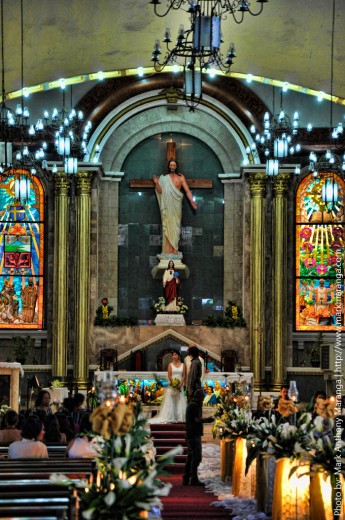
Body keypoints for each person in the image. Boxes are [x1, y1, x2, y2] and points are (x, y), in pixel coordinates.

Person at [153, 159, 197, 255]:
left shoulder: (180, 178)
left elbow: (187, 191)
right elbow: (160, 191)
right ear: (169, 166)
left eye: (174, 165)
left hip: (176, 205)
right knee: (168, 226)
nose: (172, 166)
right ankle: (167, 250)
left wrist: (192, 200)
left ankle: (174, 249)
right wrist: (156, 183)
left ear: (176, 166)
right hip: (167, 205)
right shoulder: (164, 178)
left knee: (176, 227)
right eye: (171, 165)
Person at [183, 389, 213, 486]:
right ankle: (193, 479)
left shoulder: (191, 404)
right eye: (202, 397)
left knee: (191, 456)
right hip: (194, 434)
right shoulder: (194, 406)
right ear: (199, 397)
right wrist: (208, 419)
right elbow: (197, 420)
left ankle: (186, 478)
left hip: (190, 433)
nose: (203, 399)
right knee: (196, 457)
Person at [149, 350, 187, 423]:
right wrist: (173, 383)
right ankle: (170, 416)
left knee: (180, 400)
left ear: (178, 355)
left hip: (180, 385)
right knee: (171, 400)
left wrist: (180, 384)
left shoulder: (183, 365)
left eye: (175, 354)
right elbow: (169, 375)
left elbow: (184, 375)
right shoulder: (170, 364)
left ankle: (180, 417)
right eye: (173, 355)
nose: (174, 356)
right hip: (172, 384)